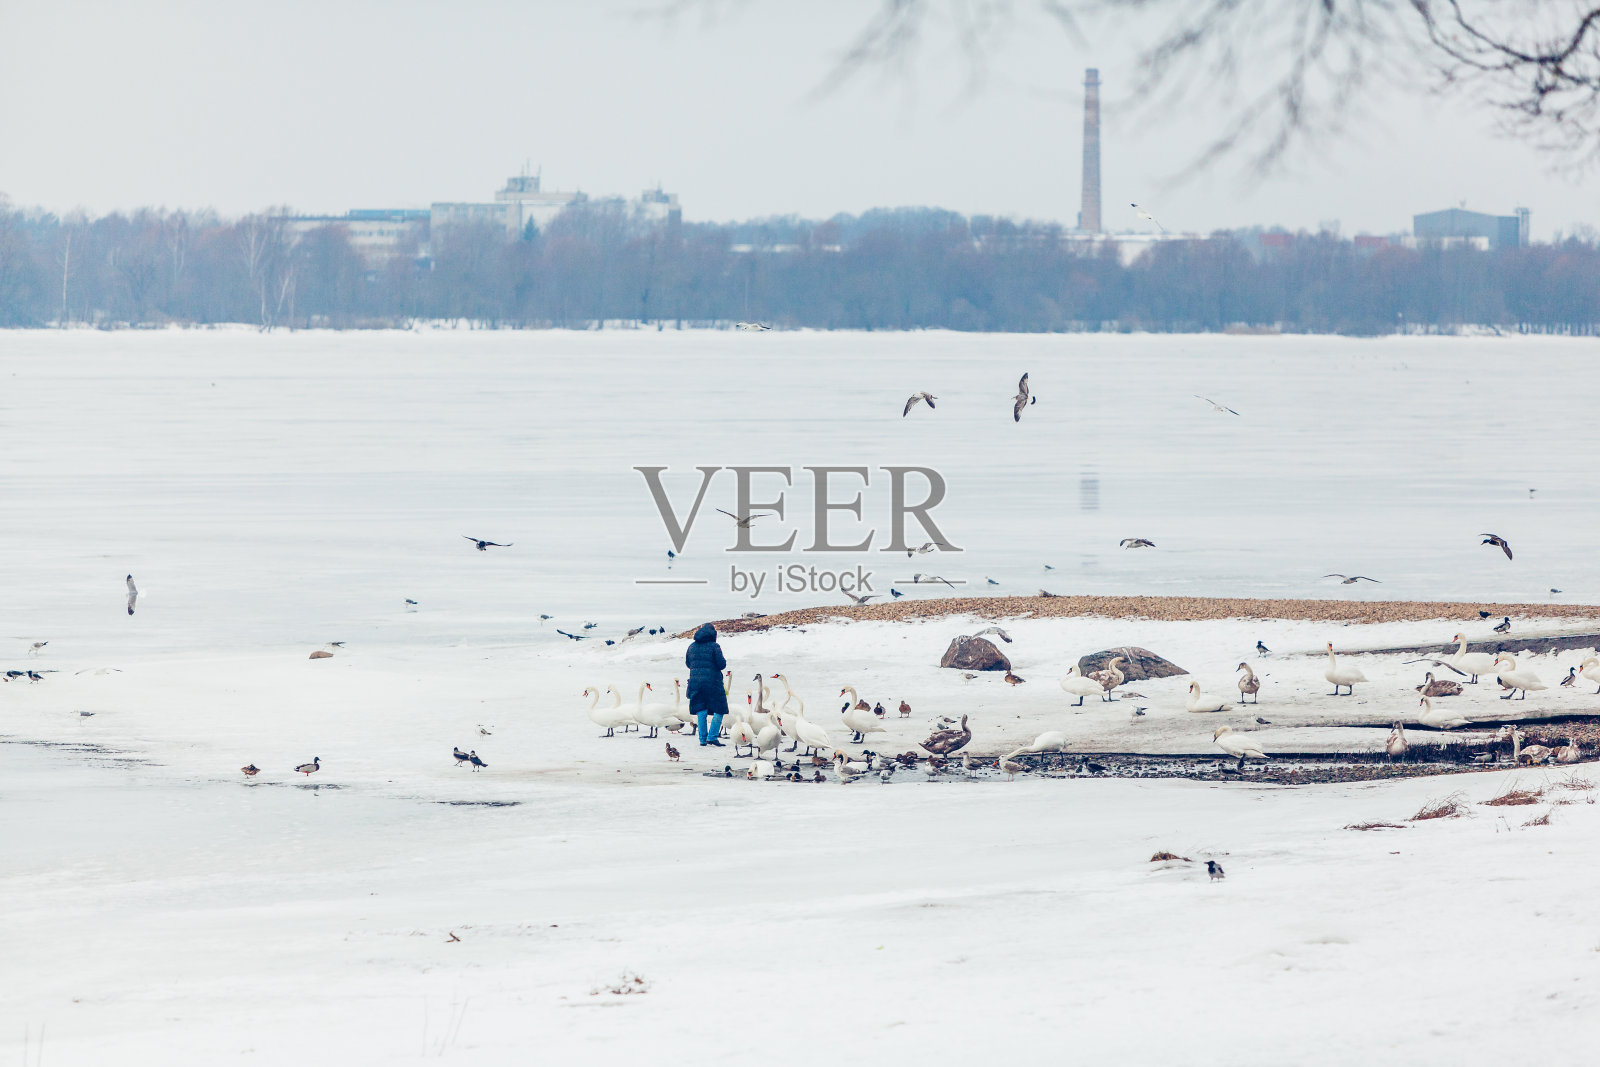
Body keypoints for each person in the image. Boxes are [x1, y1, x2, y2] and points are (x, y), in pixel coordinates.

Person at [685, 622, 730, 746]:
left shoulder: (691, 646)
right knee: (720, 708)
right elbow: (721, 664)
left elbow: (688, 664)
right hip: (713, 682)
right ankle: (712, 737)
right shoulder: (715, 646)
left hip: (695, 682)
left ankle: (702, 739)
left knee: (701, 709)